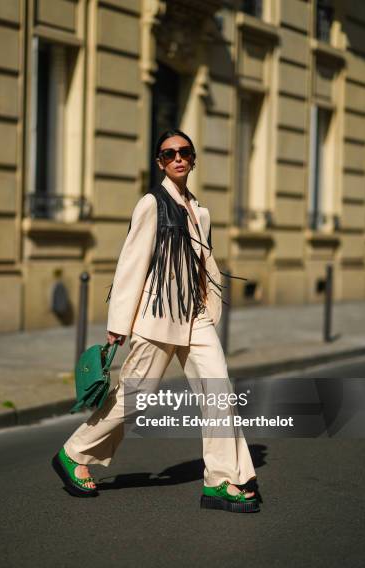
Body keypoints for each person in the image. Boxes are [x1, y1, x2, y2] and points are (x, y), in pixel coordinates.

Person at [52, 128, 260, 513]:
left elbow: (202, 263)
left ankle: (222, 480)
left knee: (219, 390)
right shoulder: (151, 203)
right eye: (168, 154)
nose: (177, 158)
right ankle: (74, 452)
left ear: (193, 159)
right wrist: (119, 323)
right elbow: (131, 264)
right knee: (135, 397)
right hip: (156, 316)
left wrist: (209, 305)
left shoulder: (200, 211)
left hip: (193, 315)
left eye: (184, 152)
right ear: (160, 162)